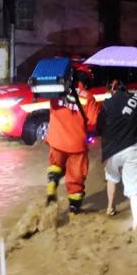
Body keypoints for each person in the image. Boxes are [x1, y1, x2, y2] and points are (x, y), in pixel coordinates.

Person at [45, 70, 100, 213]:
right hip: (76, 144)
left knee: (55, 165)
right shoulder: (88, 97)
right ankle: (74, 210)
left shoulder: (57, 92)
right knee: (76, 177)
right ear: (85, 83)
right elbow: (94, 121)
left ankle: (52, 182)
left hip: (56, 140)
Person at [97, 79, 137, 230]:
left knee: (111, 178)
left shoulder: (106, 104)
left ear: (111, 90)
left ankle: (110, 208)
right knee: (133, 190)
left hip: (112, 151)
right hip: (134, 148)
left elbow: (99, 127)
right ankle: (135, 222)